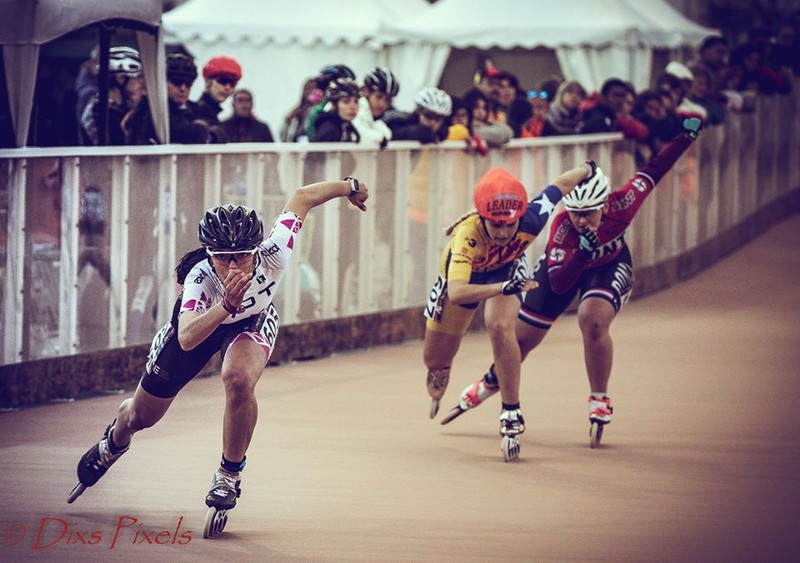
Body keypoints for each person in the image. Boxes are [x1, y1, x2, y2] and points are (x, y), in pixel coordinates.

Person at [68, 178, 370, 522]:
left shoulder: (275, 252)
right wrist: (226, 304)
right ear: (210, 256)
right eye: (224, 259)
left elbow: (303, 197)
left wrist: (350, 186)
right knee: (142, 416)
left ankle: (229, 474)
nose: (234, 265)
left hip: (250, 321)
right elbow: (187, 339)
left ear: (257, 250)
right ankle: (113, 442)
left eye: (242, 256)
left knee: (238, 378)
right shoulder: (200, 278)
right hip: (202, 325)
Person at [441, 116, 704, 449]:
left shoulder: (623, 203)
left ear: (604, 204)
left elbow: (655, 169)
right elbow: (561, 284)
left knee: (592, 319)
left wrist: (685, 138)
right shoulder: (562, 229)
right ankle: (492, 379)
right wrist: (581, 253)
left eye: (589, 213)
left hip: (608, 265)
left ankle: (599, 398)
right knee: (519, 342)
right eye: (575, 212)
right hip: (565, 268)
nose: (581, 220)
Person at [423, 164, 593, 461]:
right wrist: (502, 287)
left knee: (500, 327)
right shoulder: (468, 235)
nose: (503, 233)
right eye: (495, 225)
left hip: (507, 269)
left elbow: (562, 184)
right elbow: (458, 292)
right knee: (434, 360)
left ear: (520, 216)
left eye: (509, 225)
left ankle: (511, 411)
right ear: (482, 218)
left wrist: (587, 169)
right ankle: (442, 367)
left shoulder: (532, 218)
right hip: (466, 279)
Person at [125, 52, 207, 144]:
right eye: (177, 82)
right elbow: (189, 134)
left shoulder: (194, 109)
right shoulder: (151, 109)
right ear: (163, 82)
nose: (183, 88)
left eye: (188, 84)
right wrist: (201, 128)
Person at [80, 46, 143, 146]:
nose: (140, 82)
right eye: (137, 77)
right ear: (121, 78)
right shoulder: (96, 111)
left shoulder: (129, 105)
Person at [195, 55, 243, 142]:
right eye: (223, 81)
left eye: (232, 83)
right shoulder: (198, 113)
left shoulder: (210, 113)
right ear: (208, 82)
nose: (227, 88)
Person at [384, 87, 452, 143]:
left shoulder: (441, 131)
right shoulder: (398, 120)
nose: (433, 122)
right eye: (429, 116)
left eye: (438, 118)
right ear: (419, 111)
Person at [352, 66, 398, 147]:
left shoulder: (372, 116)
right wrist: (381, 137)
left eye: (387, 99)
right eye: (378, 97)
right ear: (366, 91)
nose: (382, 104)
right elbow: (355, 134)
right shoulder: (356, 110)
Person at [310, 78, 361, 143]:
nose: (352, 107)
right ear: (335, 104)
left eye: (356, 101)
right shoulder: (328, 129)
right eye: (346, 101)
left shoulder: (345, 125)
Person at [280, 78, 320, 143]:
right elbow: (284, 134)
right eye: (308, 88)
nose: (310, 91)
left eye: (313, 88)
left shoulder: (319, 112)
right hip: (296, 143)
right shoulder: (296, 111)